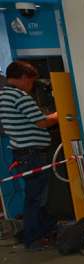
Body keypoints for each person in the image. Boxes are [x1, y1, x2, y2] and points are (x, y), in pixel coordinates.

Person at [0, 61, 58, 251]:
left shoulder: (3, 96)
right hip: (32, 153)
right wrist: (62, 112)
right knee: (35, 198)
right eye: (31, 81)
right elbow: (41, 123)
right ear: (24, 78)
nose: (32, 86)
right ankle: (33, 238)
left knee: (35, 196)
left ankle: (44, 231)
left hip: (21, 152)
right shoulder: (20, 96)